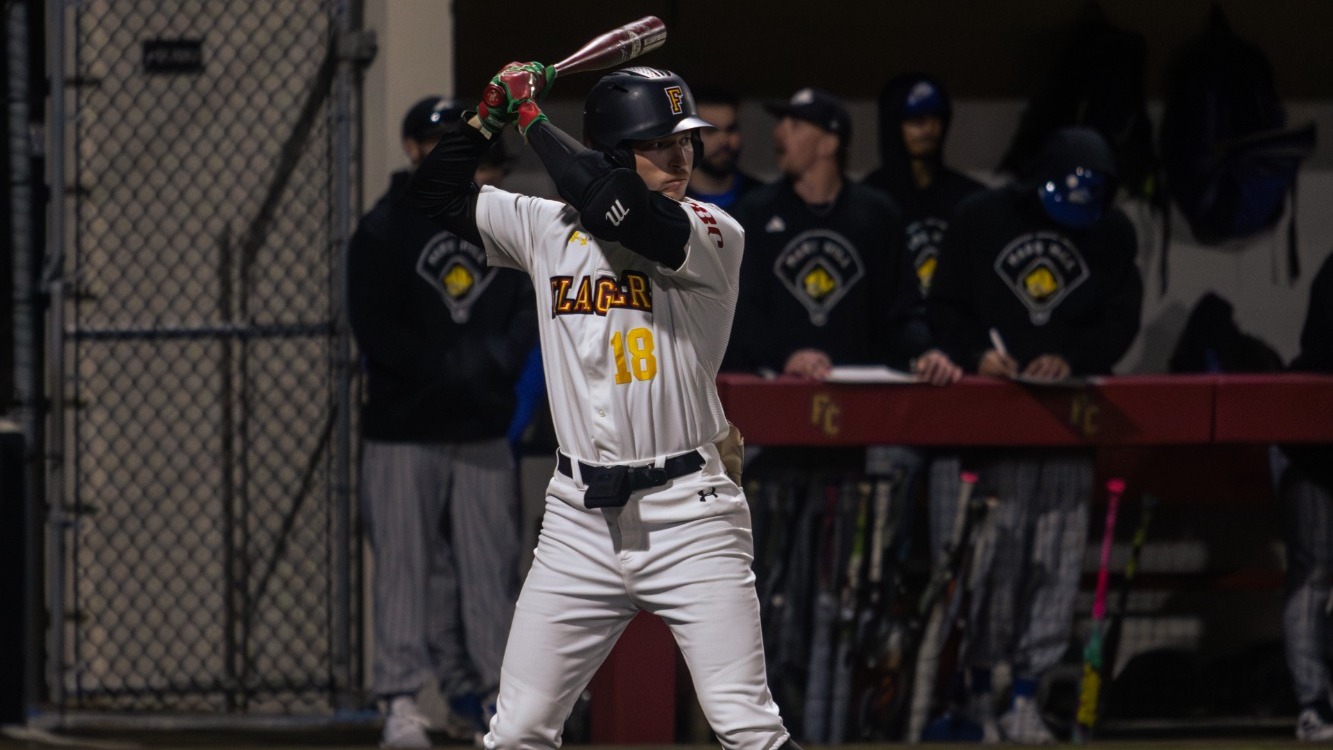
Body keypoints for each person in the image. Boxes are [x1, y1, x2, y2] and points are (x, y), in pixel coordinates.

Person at [407, 62, 799, 750]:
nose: (682, 156)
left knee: (746, 726)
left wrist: (531, 118)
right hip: (578, 519)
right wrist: (487, 115)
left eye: (685, 141)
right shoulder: (546, 227)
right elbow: (434, 193)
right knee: (518, 730)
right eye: (660, 143)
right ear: (617, 150)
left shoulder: (709, 230)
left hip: (689, 513)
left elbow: (616, 206)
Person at [926, 126, 1143, 744]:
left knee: (1054, 565)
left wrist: (1068, 357)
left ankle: (1026, 694)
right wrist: (973, 355)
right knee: (990, 569)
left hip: (1066, 427)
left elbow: (1119, 321)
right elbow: (943, 306)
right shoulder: (981, 216)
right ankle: (976, 695)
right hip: (990, 433)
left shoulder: (1114, 231)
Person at [348, 96, 536, 748]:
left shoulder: (498, 222)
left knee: (490, 570)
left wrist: (488, 366)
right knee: (405, 567)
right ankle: (400, 698)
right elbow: (373, 327)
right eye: (440, 144)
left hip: (480, 425)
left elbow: (520, 318)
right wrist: (447, 364)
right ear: (412, 149)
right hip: (404, 425)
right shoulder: (386, 228)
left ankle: (493, 697)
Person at [723, 86, 960, 386]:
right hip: (780, 389)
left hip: (861, 394)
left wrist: (926, 352)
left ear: (829, 143)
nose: (779, 133)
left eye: (794, 125)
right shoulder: (754, 212)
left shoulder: (877, 214)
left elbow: (901, 312)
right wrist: (786, 355)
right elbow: (741, 312)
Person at [862, 73, 986, 298]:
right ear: (893, 124)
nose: (928, 129)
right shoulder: (868, 200)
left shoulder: (969, 198)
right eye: (915, 120)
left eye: (935, 118)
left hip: (950, 326)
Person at [1277, 251, 1333, 742]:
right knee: (1313, 573)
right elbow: (1318, 349)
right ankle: (1313, 704)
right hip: (1317, 456)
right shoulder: (1332, 270)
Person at [685, 85, 764, 210]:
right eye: (710, 131)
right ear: (688, 136)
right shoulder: (670, 203)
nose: (724, 141)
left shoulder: (763, 199)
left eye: (731, 129)